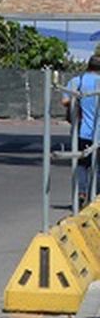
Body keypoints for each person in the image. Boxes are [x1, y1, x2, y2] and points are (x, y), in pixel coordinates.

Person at [65, 54, 100, 205]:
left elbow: (65, 101)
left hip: (83, 130)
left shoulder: (77, 81)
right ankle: (97, 197)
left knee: (82, 163)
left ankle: (82, 192)